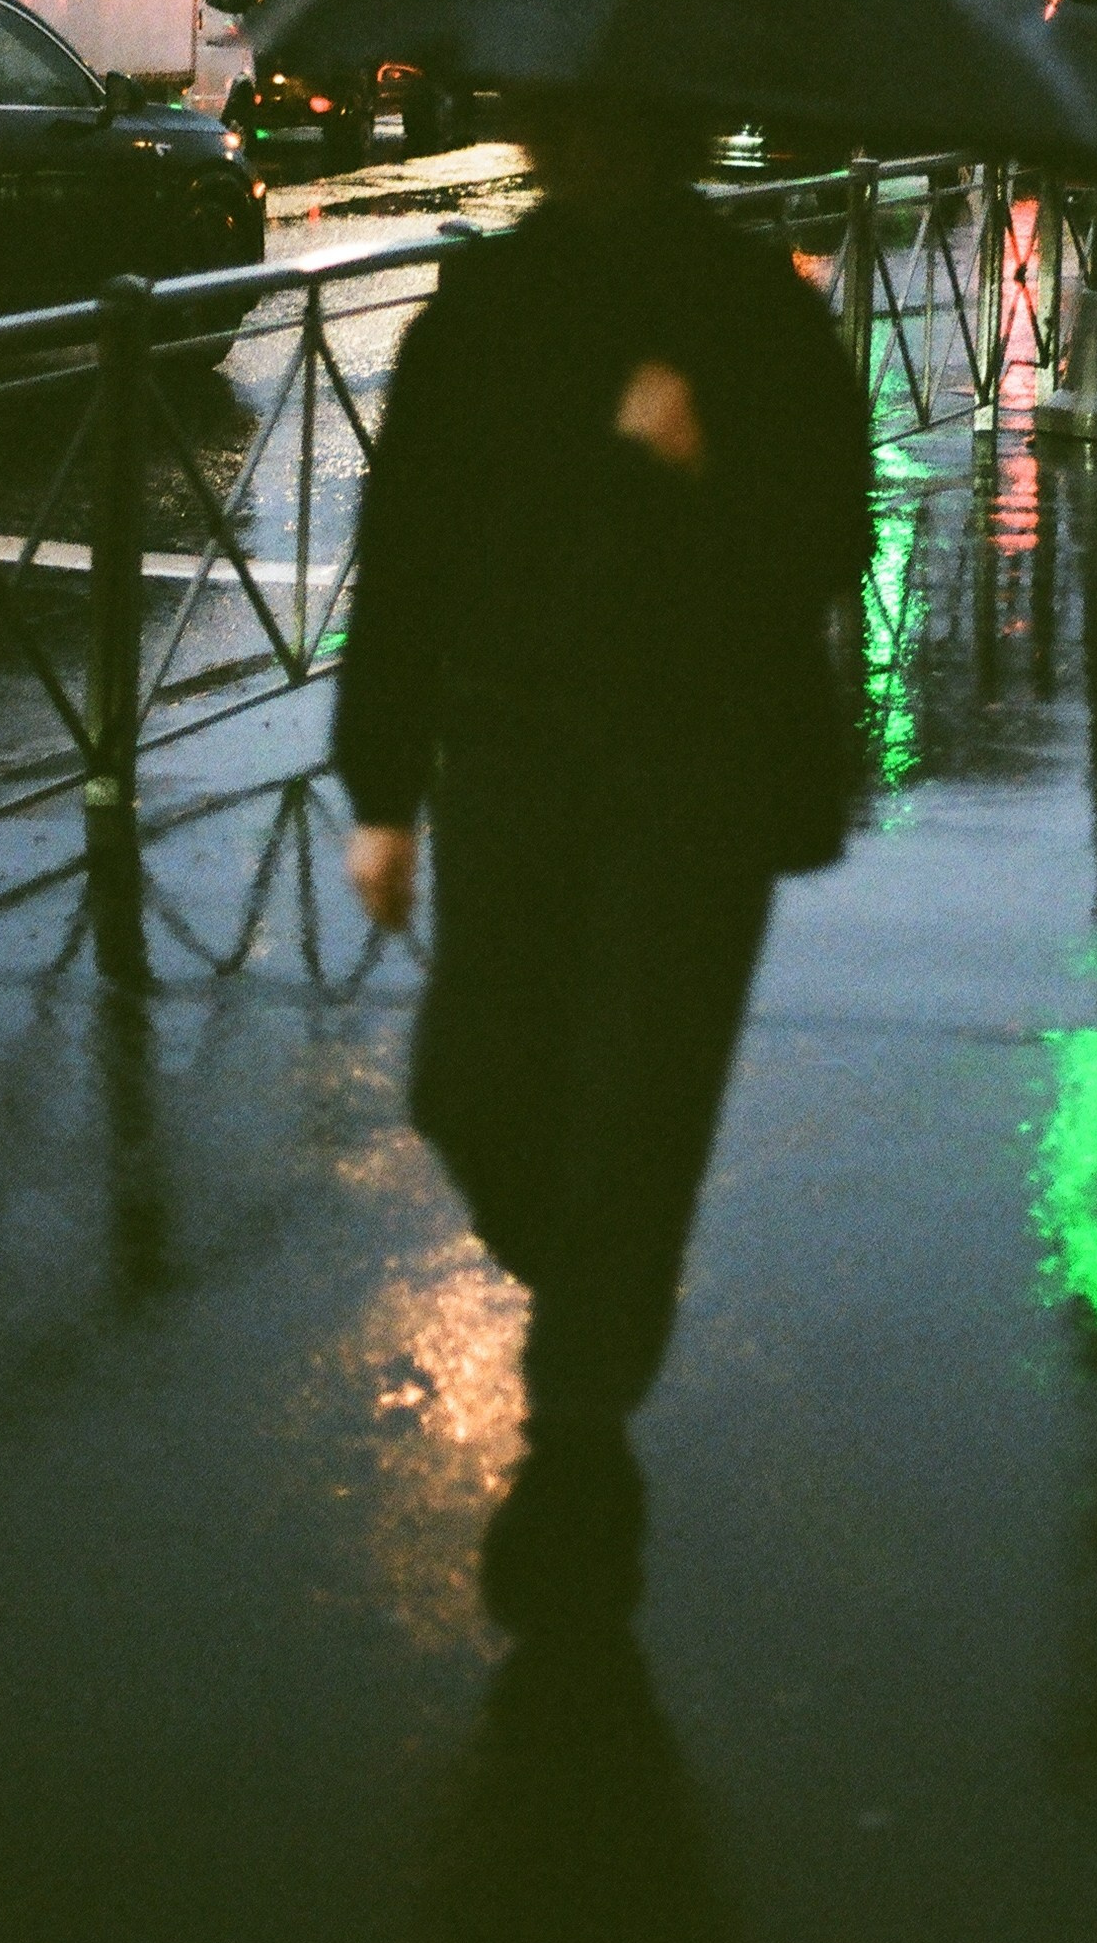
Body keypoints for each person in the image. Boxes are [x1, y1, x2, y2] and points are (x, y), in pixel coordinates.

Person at [335, 91, 873, 1623]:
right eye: (560, 120)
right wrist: (384, 790)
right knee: (471, 1085)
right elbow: (407, 554)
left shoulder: (752, 311)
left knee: (640, 1096)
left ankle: (576, 1430)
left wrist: (708, 458)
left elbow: (831, 535)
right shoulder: (485, 310)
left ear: (667, 132)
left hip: (698, 767)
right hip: (513, 756)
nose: (579, 149)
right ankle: (592, 1287)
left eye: (610, 122)